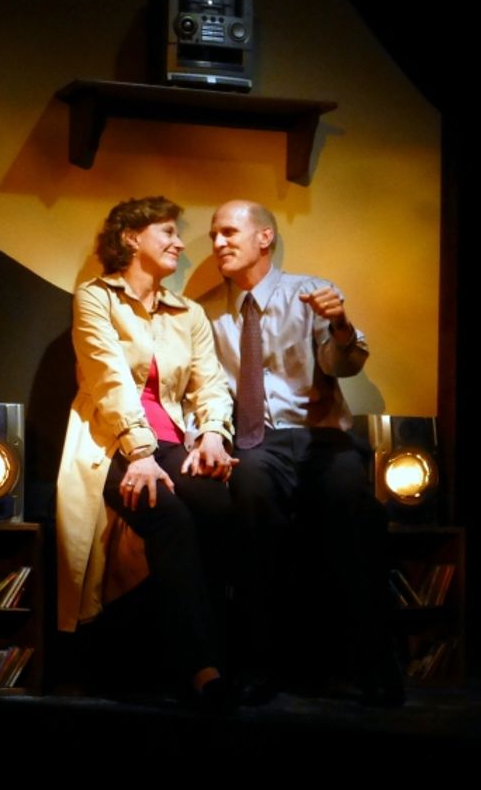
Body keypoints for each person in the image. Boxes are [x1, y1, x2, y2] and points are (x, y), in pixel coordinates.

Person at [199, 199, 403, 706]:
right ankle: (261, 665)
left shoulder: (311, 294)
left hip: (318, 436)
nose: (218, 243)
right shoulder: (203, 311)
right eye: (213, 235)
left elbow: (342, 364)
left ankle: (375, 666)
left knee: (352, 505)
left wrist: (339, 325)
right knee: (249, 500)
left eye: (229, 232)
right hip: (255, 439)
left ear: (263, 238)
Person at [56, 195, 238, 707]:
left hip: (173, 440)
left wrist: (212, 436)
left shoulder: (190, 312)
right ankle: (203, 668)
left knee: (222, 508)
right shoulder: (95, 298)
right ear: (131, 239)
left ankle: (229, 652)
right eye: (168, 232)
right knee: (171, 518)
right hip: (112, 442)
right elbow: (108, 377)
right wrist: (138, 452)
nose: (180, 242)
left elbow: (210, 385)